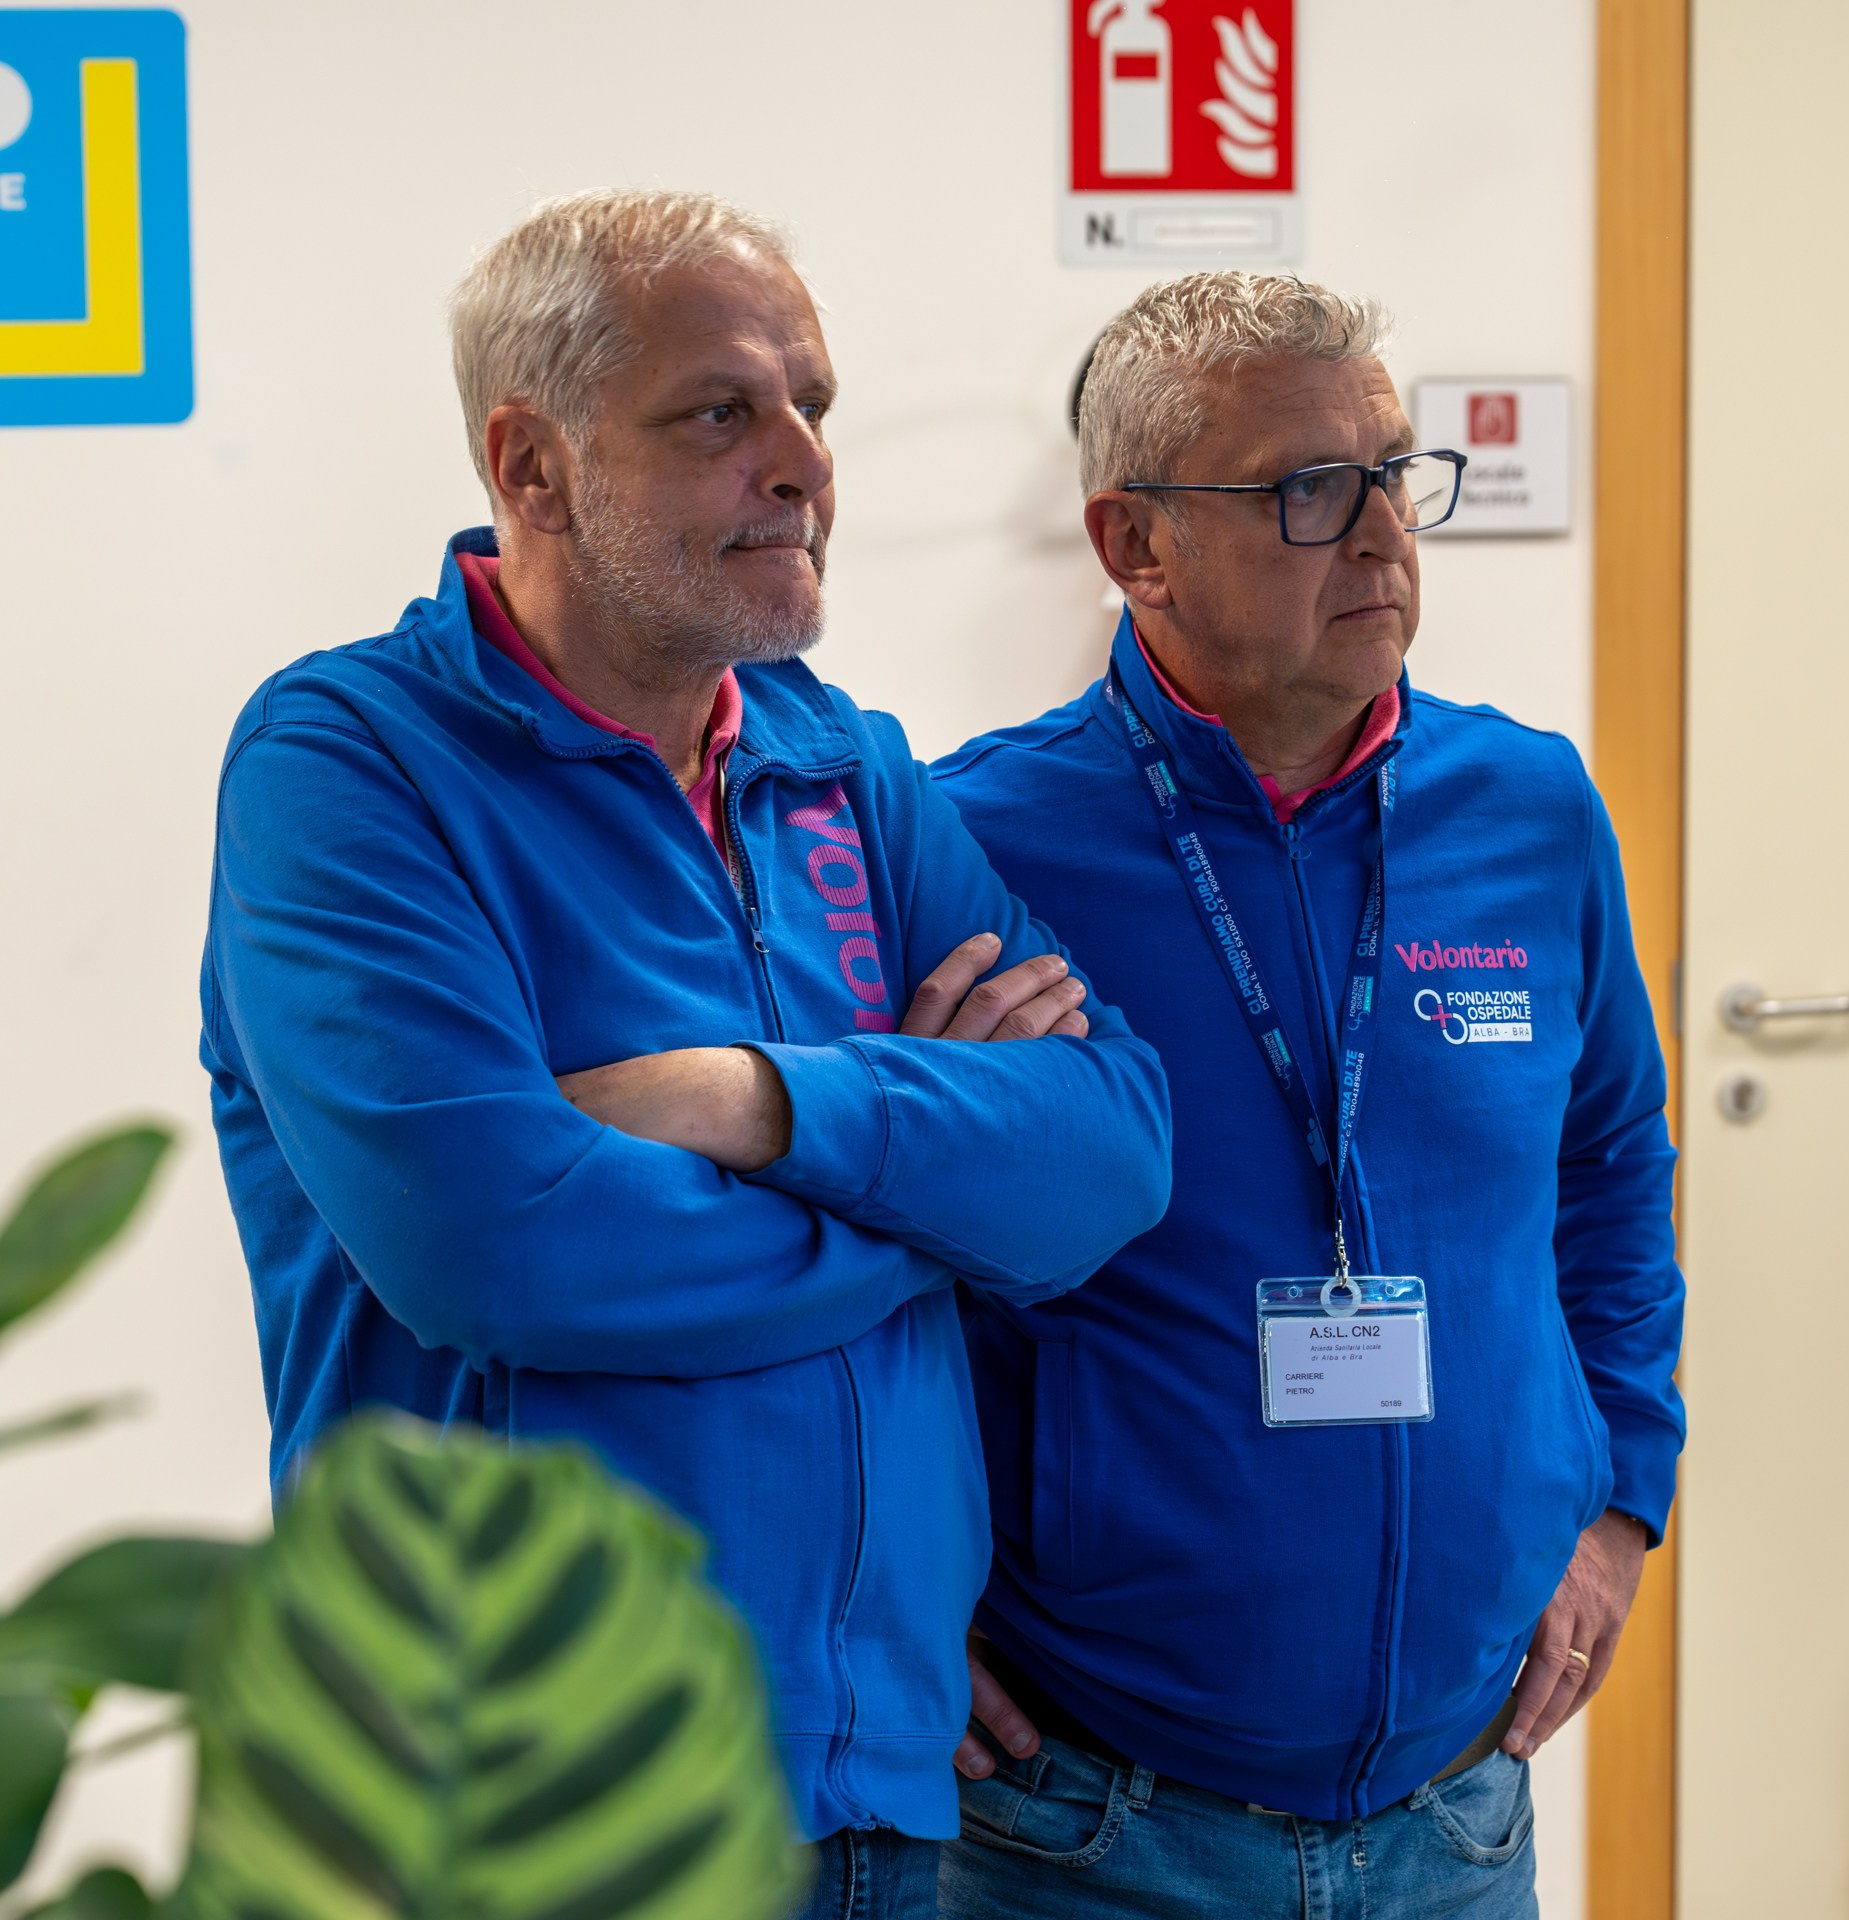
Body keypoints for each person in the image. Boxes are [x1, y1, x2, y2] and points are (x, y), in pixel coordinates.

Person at [198, 190, 1172, 1919]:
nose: (804, 464)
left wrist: (758, 1101)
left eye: (813, 405)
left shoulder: (844, 765)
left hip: (879, 1783)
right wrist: (940, 1205)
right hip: (529, 1797)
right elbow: (500, 1247)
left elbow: (1111, 1150)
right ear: (534, 464)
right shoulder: (349, 766)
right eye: (722, 412)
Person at [932, 271, 1686, 1917]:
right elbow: (883, 1254)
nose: (1384, 536)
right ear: (1136, 544)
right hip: (1093, 1819)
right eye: (1308, 490)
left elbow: (1613, 1167)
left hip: (1457, 1813)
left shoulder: (1531, 808)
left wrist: (1624, 1500)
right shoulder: (975, 845)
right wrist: (905, 1597)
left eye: (1397, 474)